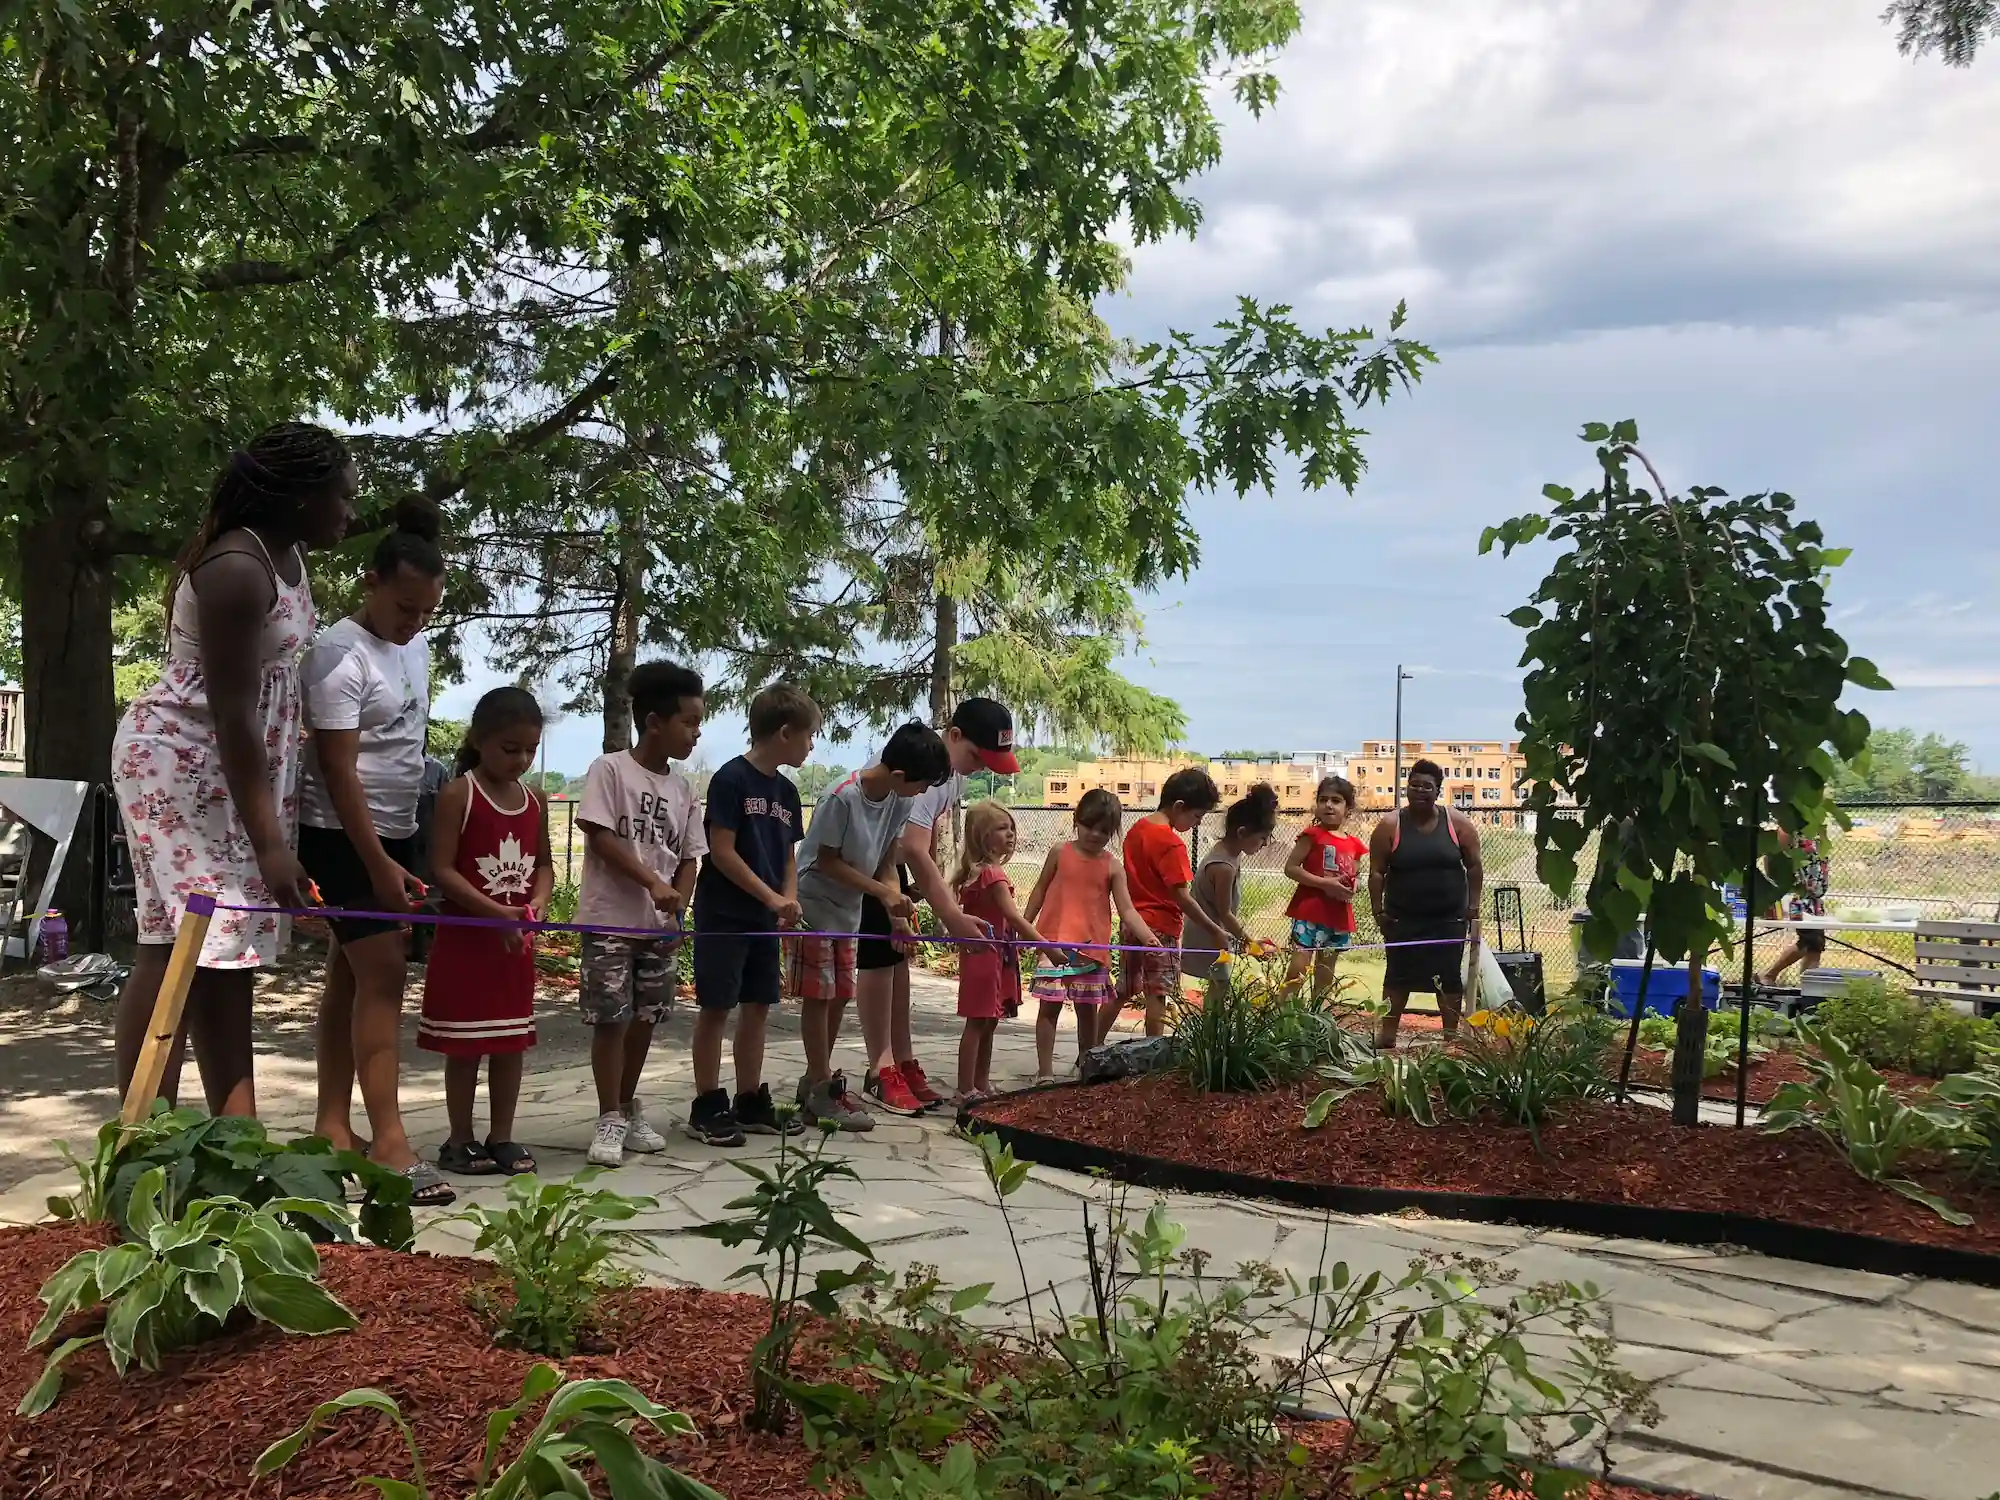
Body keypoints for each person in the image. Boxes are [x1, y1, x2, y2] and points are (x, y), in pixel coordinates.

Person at [113, 423, 355, 1117]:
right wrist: (273, 847)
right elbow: (234, 715)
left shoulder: (288, 555)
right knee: (185, 943)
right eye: (340, 497)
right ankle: (139, 1140)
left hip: (235, 771)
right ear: (297, 498)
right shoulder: (236, 571)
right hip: (179, 761)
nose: (350, 512)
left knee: (225, 951)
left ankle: (235, 1136)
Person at [299, 498, 449, 1203]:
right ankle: (390, 1144)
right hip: (339, 834)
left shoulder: (413, 645)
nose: (413, 622)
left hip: (394, 828)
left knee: (351, 976)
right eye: (402, 608)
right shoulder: (337, 654)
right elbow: (336, 772)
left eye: (425, 611)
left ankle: (333, 1125)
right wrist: (380, 864)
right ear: (371, 581)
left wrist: (402, 846)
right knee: (384, 976)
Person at [858, 697, 1020, 1115]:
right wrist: (950, 915)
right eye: (977, 755)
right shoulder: (925, 765)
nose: (981, 766)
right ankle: (881, 1068)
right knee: (877, 964)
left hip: (891, 870)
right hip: (865, 867)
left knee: (898, 965)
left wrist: (923, 897)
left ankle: (903, 1060)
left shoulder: (954, 778)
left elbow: (921, 844)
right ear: (953, 736)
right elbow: (913, 846)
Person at [576, 661, 706, 1167]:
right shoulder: (610, 770)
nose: (696, 733)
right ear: (654, 721)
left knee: (646, 1019)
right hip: (610, 920)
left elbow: (690, 857)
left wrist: (677, 909)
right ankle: (608, 1115)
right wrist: (652, 883)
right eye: (689, 722)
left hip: (658, 930)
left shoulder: (685, 790)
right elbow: (601, 836)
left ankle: (628, 1108)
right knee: (611, 1018)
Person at [790, 721, 950, 1129]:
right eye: (922, 784)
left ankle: (816, 1082)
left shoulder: (898, 800)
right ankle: (821, 1084)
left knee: (841, 993)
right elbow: (826, 861)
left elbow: (885, 861)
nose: (923, 793)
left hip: (850, 906)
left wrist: (894, 903)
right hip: (816, 903)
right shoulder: (841, 799)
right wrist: (881, 892)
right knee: (819, 996)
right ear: (898, 774)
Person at [418, 688, 552, 1176]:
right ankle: (459, 1138)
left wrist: (535, 902)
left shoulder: (535, 800)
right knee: (465, 1044)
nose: (520, 760)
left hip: (514, 945)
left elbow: (543, 867)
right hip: (467, 943)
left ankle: (502, 1136)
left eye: (529, 751)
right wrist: (493, 910)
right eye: (509, 748)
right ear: (479, 740)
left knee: (510, 1040)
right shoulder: (459, 794)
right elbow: (443, 869)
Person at [690, 683, 817, 1145]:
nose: (811, 746)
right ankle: (707, 1102)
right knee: (716, 1008)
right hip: (724, 914)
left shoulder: (786, 792)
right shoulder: (730, 779)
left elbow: (787, 854)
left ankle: (749, 1098)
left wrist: (788, 897)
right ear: (784, 733)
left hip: (766, 919)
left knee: (758, 1006)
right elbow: (721, 852)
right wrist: (770, 898)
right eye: (808, 736)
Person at [1024, 789, 1158, 1083]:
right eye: (1089, 826)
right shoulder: (1060, 852)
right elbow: (1039, 890)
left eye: (1104, 830)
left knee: (1088, 1014)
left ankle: (1087, 1068)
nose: (1095, 834)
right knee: (1049, 1008)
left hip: (1091, 952)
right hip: (1054, 945)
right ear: (1077, 820)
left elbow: (1127, 909)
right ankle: (1045, 1072)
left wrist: (1147, 936)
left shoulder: (1112, 866)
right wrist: (1024, 924)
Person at [1368, 760, 1484, 1050]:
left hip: (1448, 918)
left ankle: (1451, 1038)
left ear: (1438, 791)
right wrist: (1378, 911)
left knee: (1448, 977)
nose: (1420, 791)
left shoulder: (1456, 822)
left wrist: (1474, 905)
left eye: (1427, 786)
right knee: (1397, 976)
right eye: (1414, 785)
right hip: (1402, 918)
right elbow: (1376, 872)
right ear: (1407, 788)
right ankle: (1387, 1034)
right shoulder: (1390, 825)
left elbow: (1474, 866)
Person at [953, 801, 1047, 1102]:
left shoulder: (978, 872)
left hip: (993, 956)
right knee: (978, 1021)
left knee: (988, 1021)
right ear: (982, 836)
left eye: (1011, 828)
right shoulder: (993, 875)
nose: (1010, 834)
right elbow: (1015, 917)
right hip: (986, 957)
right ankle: (966, 1087)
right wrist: (1048, 947)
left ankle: (980, 1082)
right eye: (1001, 828)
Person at [1120, 766, 1223, 1035]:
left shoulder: (1137, 830)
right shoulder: (1171, 844)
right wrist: (1214, 929)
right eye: (1197, 815)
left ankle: (1090, 1047)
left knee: (1124, 990)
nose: (1197, 823)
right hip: (1160, 928)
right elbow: (1183, 898)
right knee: (1158, 995)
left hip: (1131, 922)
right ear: (1179, 806)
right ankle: (1153, 1058)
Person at [1283, 776, 1368, 999]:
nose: (1328, 805)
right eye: (1323, 800)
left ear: (1348, 808)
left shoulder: (1356, 846)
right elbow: (1291, 868)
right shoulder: (1312, 836)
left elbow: (1353, 877)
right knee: (1298, 970)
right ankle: (1282, 1017)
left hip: (1337, 915)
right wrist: (1324, 884)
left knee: (1325, 973)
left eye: (1336, 800)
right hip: (1310, 911)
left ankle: (1317, 1020)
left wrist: (1353, 886)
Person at [1187, 783, 1281, 983]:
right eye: (1262, 838)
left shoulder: (1230, 854)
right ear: (1241, 832)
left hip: (1218, 934)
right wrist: (1250, 943)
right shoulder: (1223, 866)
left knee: (1220, 991)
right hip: (1209, 939)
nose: (1264, 844)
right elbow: (1225, 913)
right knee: (1220, 990)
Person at [1760, 827, 1832, 986]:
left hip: (1815, 898)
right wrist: (1780, 885)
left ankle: (1808, 989)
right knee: (1809, 940)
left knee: (1816, 946)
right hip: (1797, 896)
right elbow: (1772, 857)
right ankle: (1768, 975)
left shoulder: (1819, 827)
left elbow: (1823, 857)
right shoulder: (1789, 828)